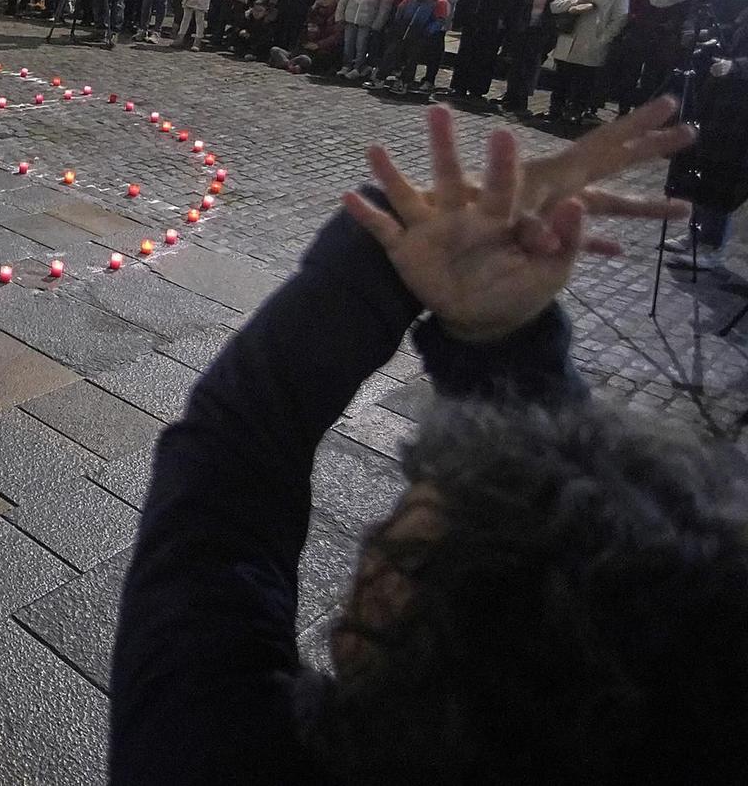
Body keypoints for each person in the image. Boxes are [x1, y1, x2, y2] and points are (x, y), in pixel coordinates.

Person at [111, 100, 737, 785]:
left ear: (388, 621)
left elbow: (229, 475)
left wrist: (386, 252)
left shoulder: (220, 756)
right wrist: (507, 341)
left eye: (400, 542)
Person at [546, 0, 630, 125]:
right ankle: (555, 110)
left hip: (592, 41)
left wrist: (602, 39)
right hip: (569, 37)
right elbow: (555, 5)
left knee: (583, 81)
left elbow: (619, 19)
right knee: (562, 78)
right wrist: (575, 3)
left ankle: (575, 112)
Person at [499, 0, 579, 116]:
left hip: (543, 23)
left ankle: (521, 99)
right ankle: (510, 95)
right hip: (524, 19)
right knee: (516, 60)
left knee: (530, 62)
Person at [334, 0, 395, 80]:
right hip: (351, 16)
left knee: (361, 45)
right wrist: (340, 14)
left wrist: (378, 23)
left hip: (367, 20)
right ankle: (346, 65)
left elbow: (385, 6)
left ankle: (358, 67)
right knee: (348, 43)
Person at [269, 0, 344, 74]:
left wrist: (318, 45)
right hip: (306, 48)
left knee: (309, 59)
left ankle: (291, 65)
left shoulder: (338, 14)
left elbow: (336, 36)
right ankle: (290, 64)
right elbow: (306, 30)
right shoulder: (315, 12)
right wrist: (313, 9)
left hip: (322, 50)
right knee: (275, 50)